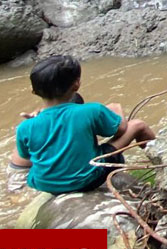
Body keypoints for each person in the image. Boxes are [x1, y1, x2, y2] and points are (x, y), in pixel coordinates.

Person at [10, 55, 156, 193]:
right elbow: (120, 129)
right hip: (87, 180)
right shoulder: (92, 110)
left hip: (44, 186)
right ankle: (164, 163)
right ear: (76, 84)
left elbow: (26, 156)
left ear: (34, 91)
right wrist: (116, 108)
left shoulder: (25, 126)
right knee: (138, 125)